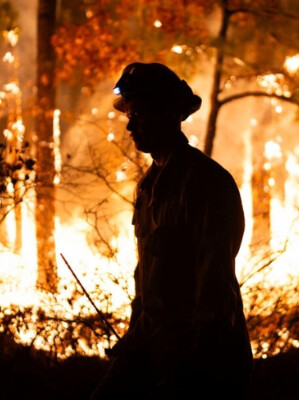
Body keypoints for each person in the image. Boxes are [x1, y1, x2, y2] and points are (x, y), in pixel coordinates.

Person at [91, 62, 252, 399]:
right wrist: (135, 337)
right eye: (129, 115)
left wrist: (191, 373)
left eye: (139, 113)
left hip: (201, 368)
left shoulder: (206, 184)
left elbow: (214, 289)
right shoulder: (148, 188)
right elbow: (147, 278)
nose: (130, 126)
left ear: (168, 114)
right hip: (153, 350)